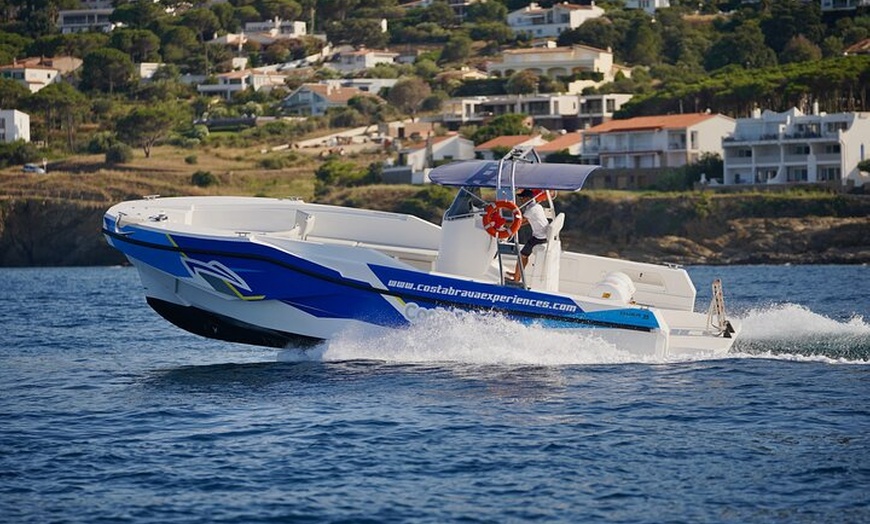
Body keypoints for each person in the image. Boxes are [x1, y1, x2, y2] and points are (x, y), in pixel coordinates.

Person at [508, 189, 548, 282]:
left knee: (522, 256)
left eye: (522, 198)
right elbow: (526, 221)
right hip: (542, 235)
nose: (521, 200)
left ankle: (516, 279)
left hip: (539, 238)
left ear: (527, 198)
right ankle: (517, 274)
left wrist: (504, 224)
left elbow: (520, 222)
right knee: (524, 255)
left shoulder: (531, 209)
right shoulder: (537, 206)